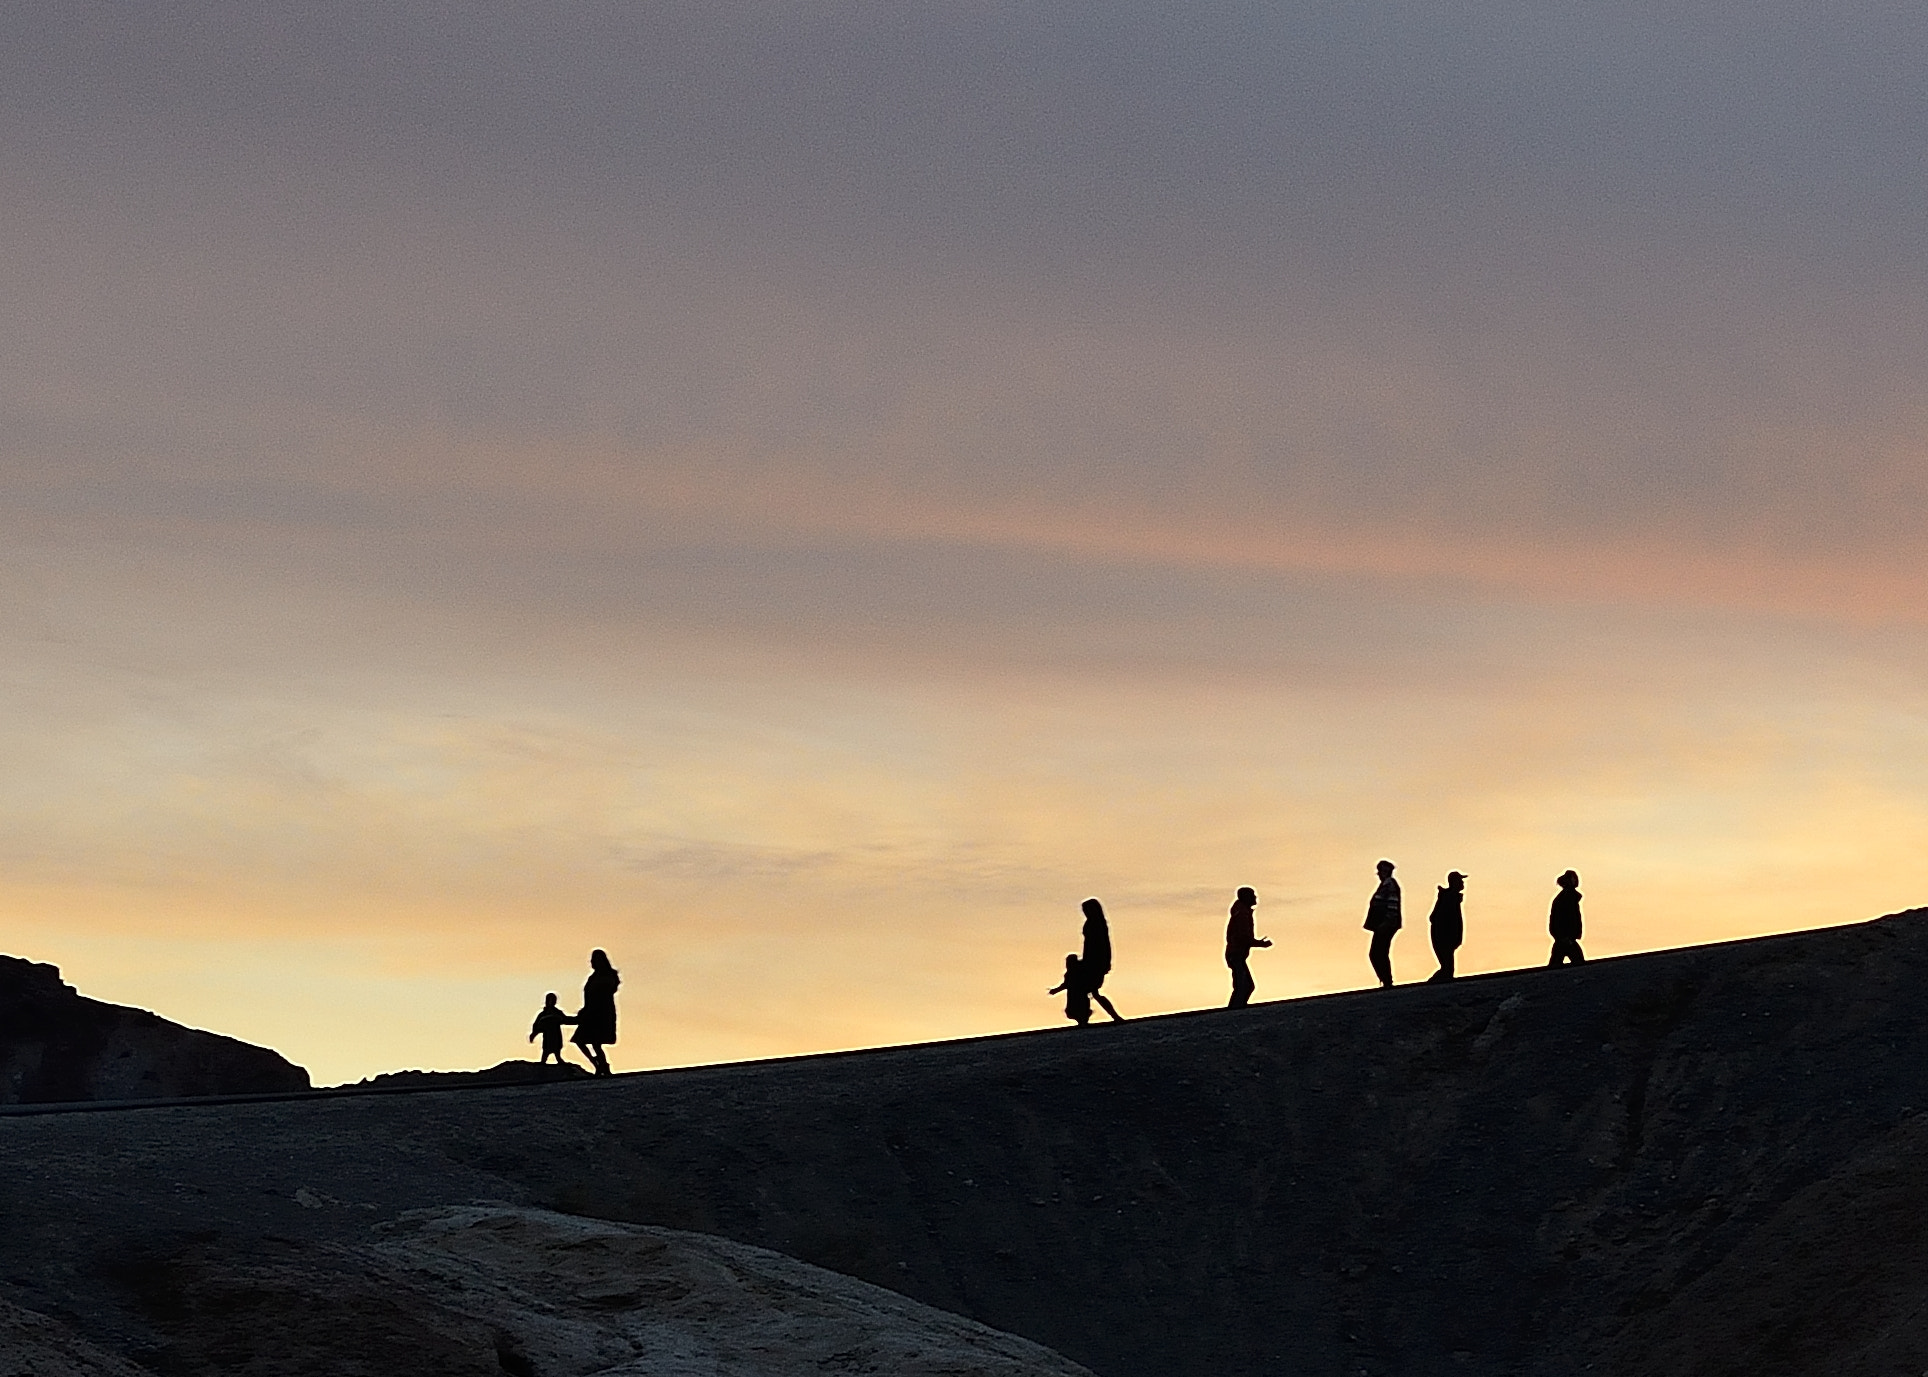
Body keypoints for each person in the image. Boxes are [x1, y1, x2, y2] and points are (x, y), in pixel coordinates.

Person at [571, 948, 621, 1076]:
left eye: (593, 961)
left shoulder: (607, 976)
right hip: (591, 1013)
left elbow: (605, 993)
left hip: (601, 1013)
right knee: (582, 1041)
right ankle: (598, 1064)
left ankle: (602, 1066)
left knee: (595, 1042)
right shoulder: (593, 977)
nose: (591, 963)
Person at [1224, 886, 1272, 1008]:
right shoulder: (1242, 914)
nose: (1256, 897)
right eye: (1253, 895)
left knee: (1245, 985)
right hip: (1236, 955)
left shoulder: (1241, 912)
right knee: (1244, 986)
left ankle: (1236, 1009)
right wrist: (1261, 944)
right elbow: (1243, 937)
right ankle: (1234, 1011)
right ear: (1246, 897)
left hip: (1237, 954)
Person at [1079, 898, 1125, 1022]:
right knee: (1090, 991)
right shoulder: (1093, 923)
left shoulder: (1096, 924)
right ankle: (1086, 1017)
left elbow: (1103, 945)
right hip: (1090, 960)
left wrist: (1105, 962)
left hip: (1095, 962)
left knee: (1090, 990)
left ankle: (1113, 1016)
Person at [1364, 859, 1401, 988]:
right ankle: (1386, 980)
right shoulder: (1386, 885)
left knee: (1377, 953)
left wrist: (1386, 923)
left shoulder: (1389, 885)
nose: (1379, 874)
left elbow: (1392, 905)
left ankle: (1387, 981)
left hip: (1385, 925)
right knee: (1379, 953)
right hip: (1384, 925)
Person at [1426, 872, 1466, 983]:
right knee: (1447, 969)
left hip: (1447, 939)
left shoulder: (1451, 898)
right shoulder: (1449, 898)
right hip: (1444, 938)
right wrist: (1451, 937)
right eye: (1460, 880)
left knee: (1448, 968)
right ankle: (1431, 985)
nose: (1463, 883)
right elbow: (1436, 918)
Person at [1548, 870, 1586, 966]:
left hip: (1566, 938)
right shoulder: (1566, 898)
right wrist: (1564, 937)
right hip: (1565, 938)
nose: (1576, 880)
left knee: (1555, 964)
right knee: (1579, 965)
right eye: (1573, 878)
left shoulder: (1567, 897)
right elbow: (1563, 919)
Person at [528, 992, 575, 1065]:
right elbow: (536, 1025)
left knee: (557, 1054)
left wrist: (577, 1020)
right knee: (545, 1054)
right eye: (550, 1000)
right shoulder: (543, 1014)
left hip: (556, 1036)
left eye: (553, 1000)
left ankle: (560, 1064)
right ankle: (542, 1067)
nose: (552, 1002)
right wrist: (533, 1034)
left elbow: (566, 1020)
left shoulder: (557, 1012)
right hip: (547, 1037)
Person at [1048, 953, 1093, 1026]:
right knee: (1074, 1010)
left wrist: (1056, 990)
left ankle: (1083, 1022)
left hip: (1077, 995)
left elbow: (1066, 984)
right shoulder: (1073, 973)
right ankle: (1082, 1021)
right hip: (1074, 995)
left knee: (1077, 1009)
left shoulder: (1074, 973)